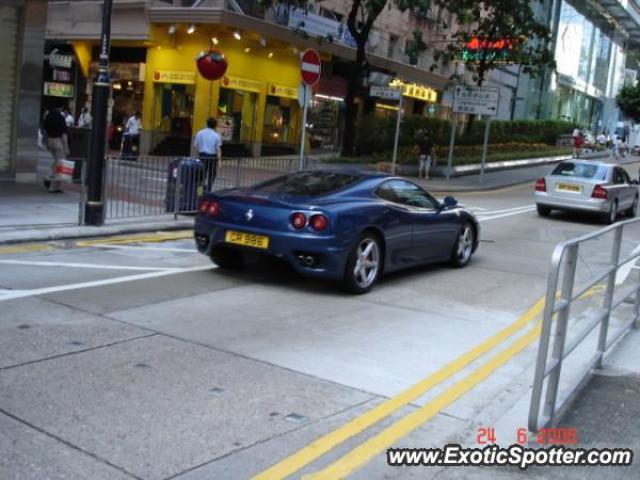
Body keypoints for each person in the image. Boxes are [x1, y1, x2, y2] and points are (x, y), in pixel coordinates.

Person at [42, 107, 69, 193]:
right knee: (59, 164)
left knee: (56, 161)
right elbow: (64, 134)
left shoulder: (48, 117)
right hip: (58, 142)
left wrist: (46, 142)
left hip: (50, 140)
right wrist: (66, 147)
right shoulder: (60, 118)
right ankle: (51, 183)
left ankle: (58, 185)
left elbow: (44, 131)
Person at [193, 117, 223, 192]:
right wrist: (219, 161)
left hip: (202, 156)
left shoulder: (200, 133)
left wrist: (198, 155)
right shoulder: (216, 136)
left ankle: (199, 192)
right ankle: (208, 190)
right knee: (212, 174)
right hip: (212, 158)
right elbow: (218, 149)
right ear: (215, 125)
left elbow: (196, 146)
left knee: (200, 175)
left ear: (206, 124)